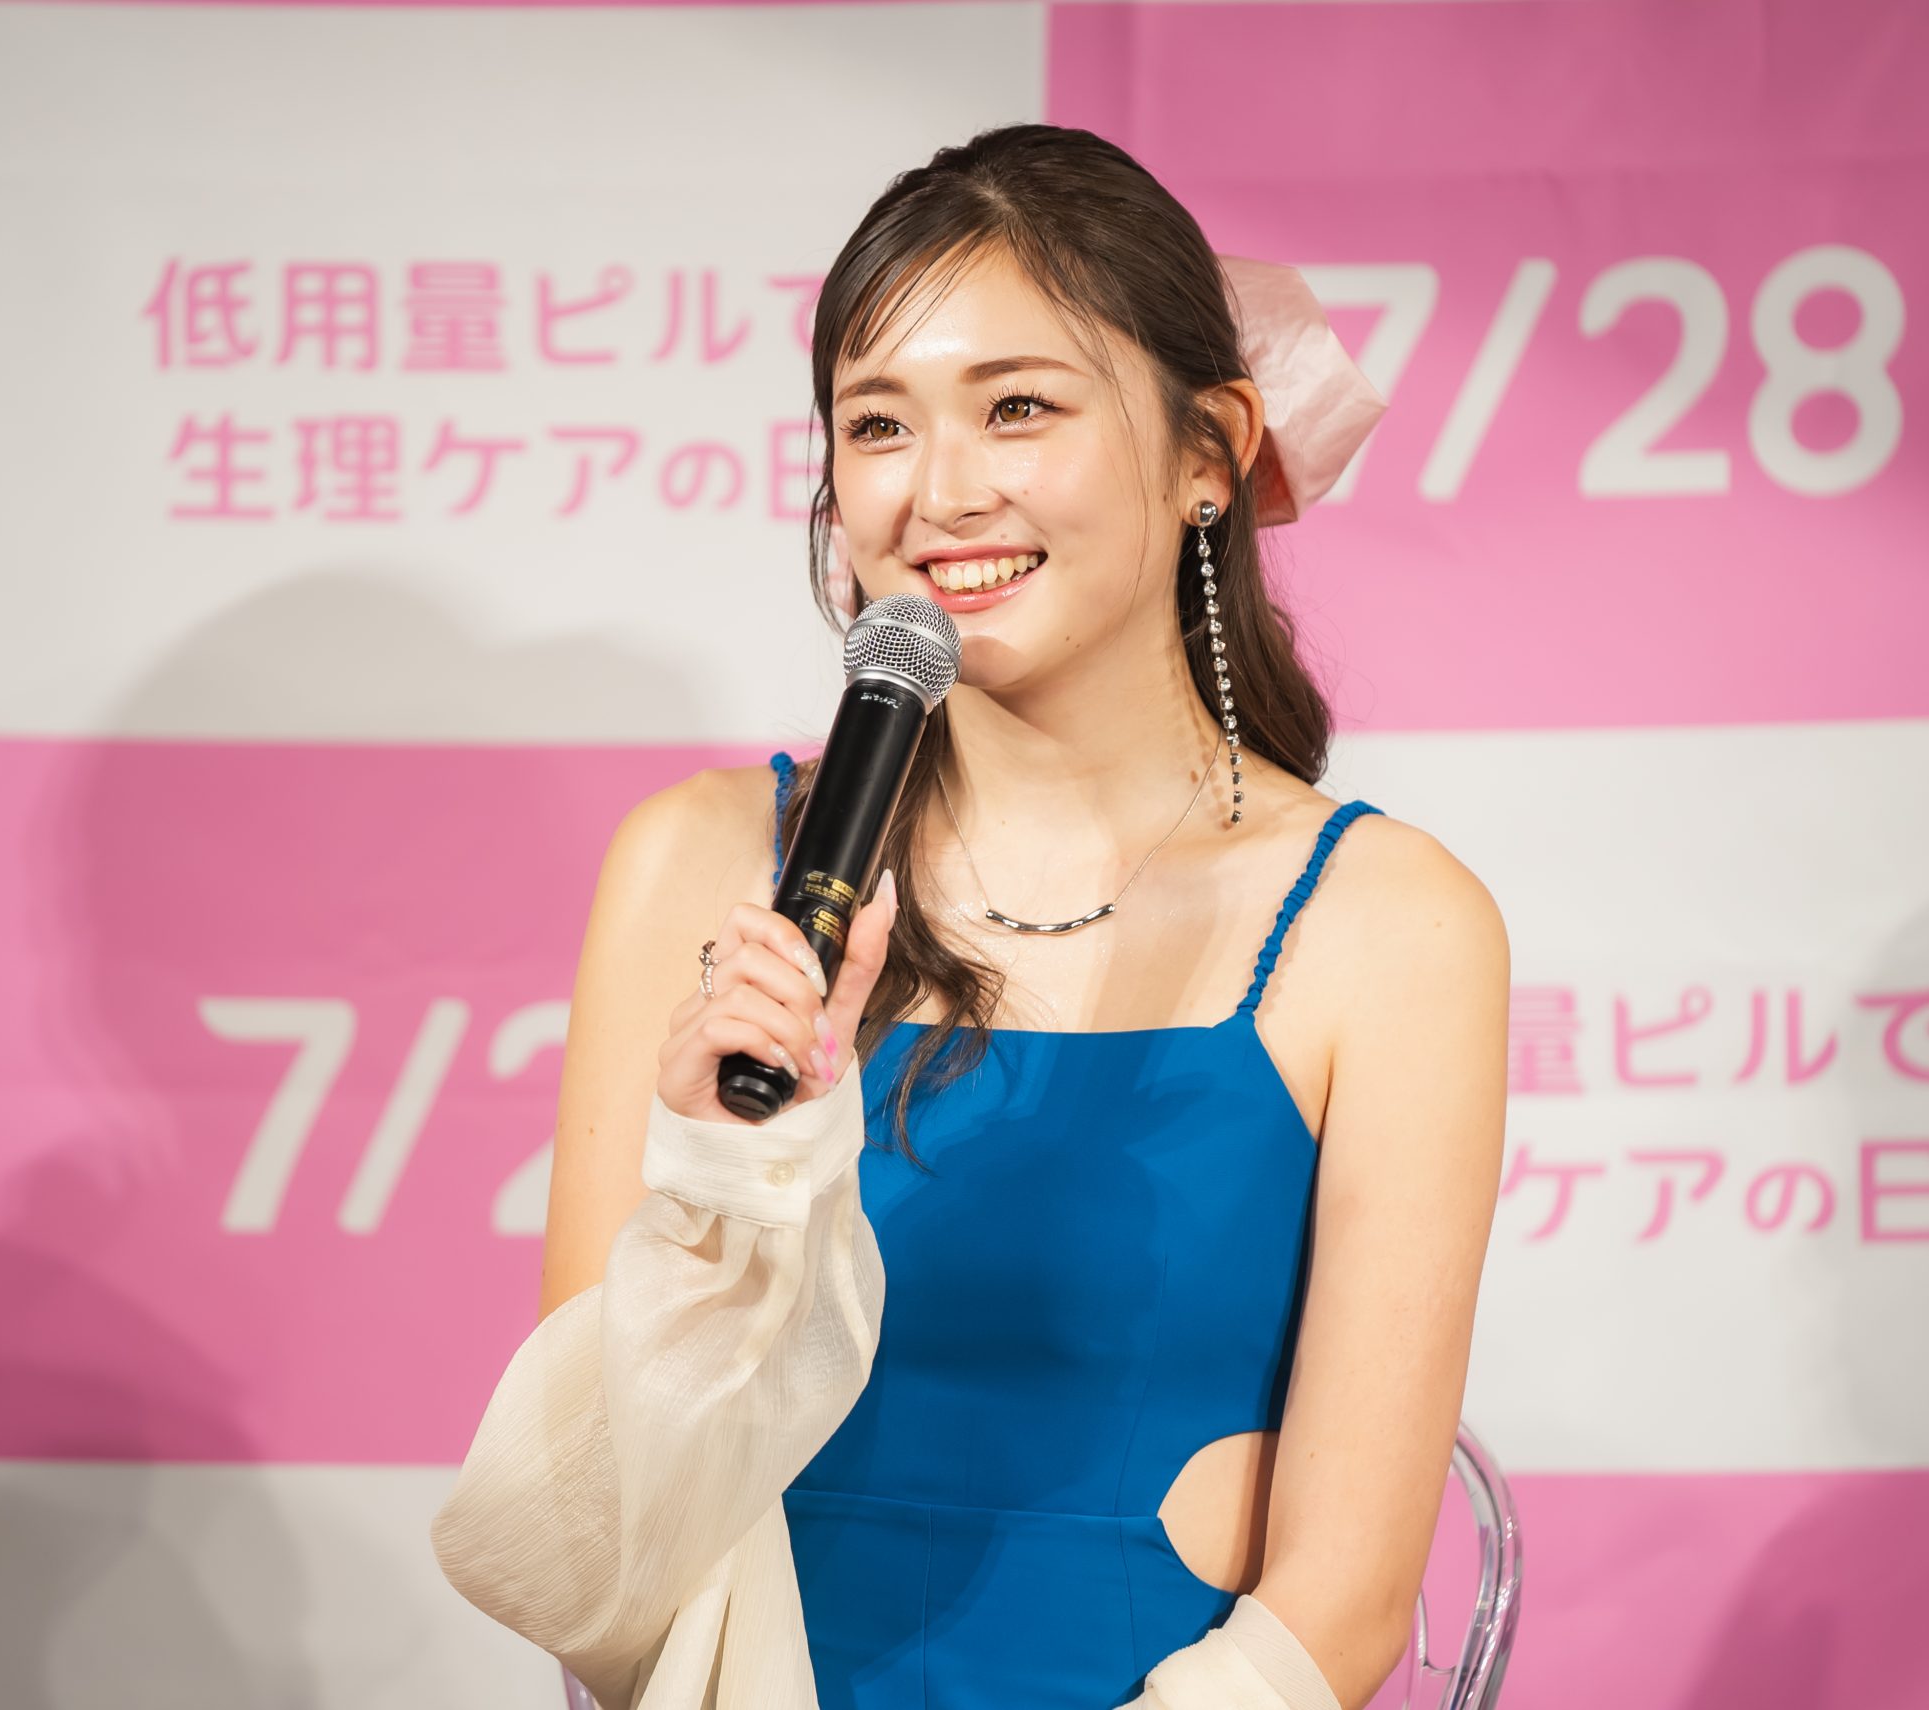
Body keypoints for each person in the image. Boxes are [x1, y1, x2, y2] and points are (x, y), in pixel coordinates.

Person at [433, 123, 1508, 1710]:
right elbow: (592, 1553)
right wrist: (728, 1181)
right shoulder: (703, 864)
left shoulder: (1388, 922)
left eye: (1019, 407)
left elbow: (1340, 1608)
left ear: (1210, 450)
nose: (939, 493)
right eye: (878, 423)